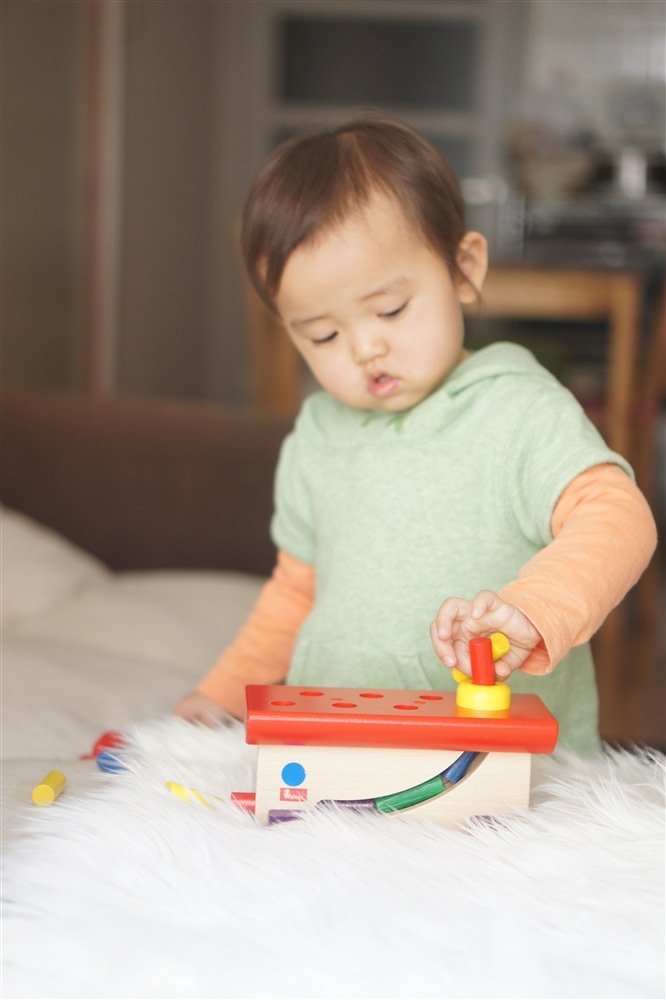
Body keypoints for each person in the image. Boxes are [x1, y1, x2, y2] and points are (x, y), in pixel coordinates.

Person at [174, 116, 656, 755]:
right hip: (345, 754)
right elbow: (296, 591)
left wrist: (536, 607)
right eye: (323, 334)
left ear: (463, 270)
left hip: (502, 764)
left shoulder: (515, 409)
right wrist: (218, 696)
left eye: (391, 309)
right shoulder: (317, 436)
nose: (365, 348)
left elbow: (619, 516)